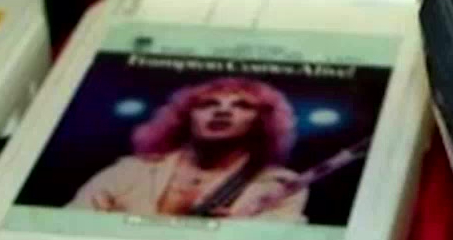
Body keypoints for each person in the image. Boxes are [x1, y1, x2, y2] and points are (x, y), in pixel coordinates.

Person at [70, 77, 307, 221]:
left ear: (262, 122)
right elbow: (73, 221)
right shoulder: (131, 170)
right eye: (208, 104)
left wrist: (239, 233)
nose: (222, 111)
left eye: (242, 105)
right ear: (185, 118)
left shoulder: (279, 185)